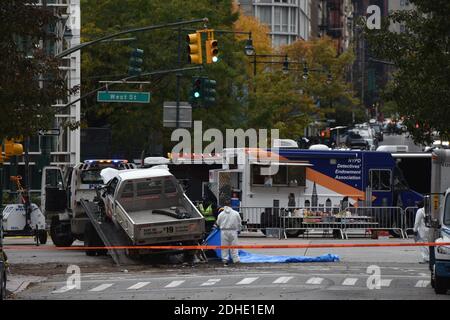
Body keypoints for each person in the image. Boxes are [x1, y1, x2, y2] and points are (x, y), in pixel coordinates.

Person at [215, 199, 242, 266]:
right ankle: (236, 260)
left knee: (224, 247)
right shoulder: (236, 213)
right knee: (234, 246)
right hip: (233, 231)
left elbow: (218, 223)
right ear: (230, 205)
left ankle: (225, 260)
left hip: (224, 231)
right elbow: (239, 223)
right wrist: (238, 229)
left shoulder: (221, 214)